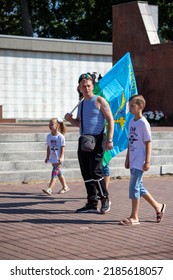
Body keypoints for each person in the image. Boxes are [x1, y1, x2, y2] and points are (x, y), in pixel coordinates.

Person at [64, 73, 114, 214]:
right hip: (84, 140)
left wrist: (109, 139)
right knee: (86, 172)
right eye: (83, 86)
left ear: (92, 86)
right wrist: (70, 119)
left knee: (95, 170)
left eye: (89, 86)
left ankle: (105, 199)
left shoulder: (99, 100)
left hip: (98, 139)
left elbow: (110, 120)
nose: (86, 88)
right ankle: (91, 202)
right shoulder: (81, 104)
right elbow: (79, 124)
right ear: (79, 88)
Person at [119, 95, 166, 225]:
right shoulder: (132, 122)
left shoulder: (143, 123)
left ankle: (134, 217)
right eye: (129, 105)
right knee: (138, 186)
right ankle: (158, 207)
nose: (130, 108)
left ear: (140, 106)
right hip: (133, 159)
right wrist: (127, 158)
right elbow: (130, 141)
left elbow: (148, 142)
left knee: (134, 187)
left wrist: (147, 161)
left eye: (132, 106)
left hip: (140, 159)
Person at [42, 117, 70, 196]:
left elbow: (62, 148)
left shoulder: (61, 137)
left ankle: (49, 188)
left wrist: (61, 157)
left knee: (55, 172)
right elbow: (48, 147)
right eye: (49, 124)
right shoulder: (49, 136)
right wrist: (47, 157)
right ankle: (65, 186)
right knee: (58, 173)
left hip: (58, 158)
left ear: (58, 125)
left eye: (52, 124)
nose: (50, 125)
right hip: (52, 157)